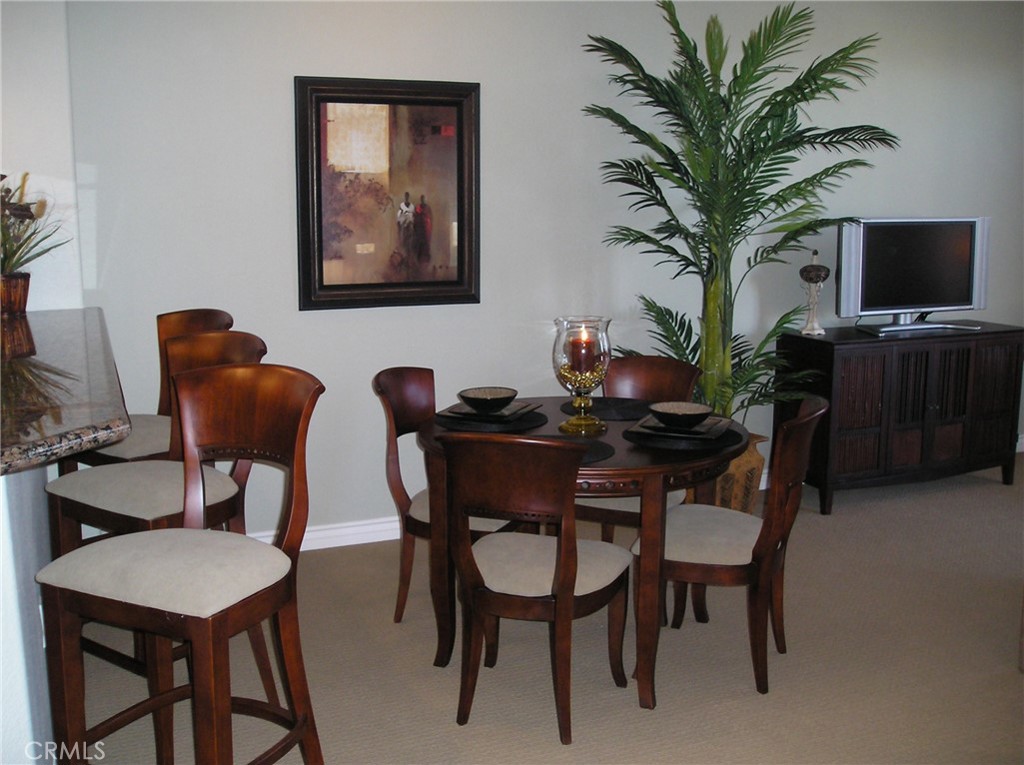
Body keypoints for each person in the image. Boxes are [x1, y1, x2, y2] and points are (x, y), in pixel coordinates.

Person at [413, 194, 432, 262]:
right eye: (422, 199)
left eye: (424, 198)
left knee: (426, 244)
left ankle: (426, 259)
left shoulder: (428, 208)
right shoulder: (418, 207)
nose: (423, 200)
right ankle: (419, 259)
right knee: (419, 245)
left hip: (426, 229)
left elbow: (430, 218)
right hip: (419, 230)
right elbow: (415, 218)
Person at [396, 191, 414, 256]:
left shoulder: (411, 206)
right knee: (403, 240)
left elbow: (412, 215)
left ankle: (409, 257)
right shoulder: (402, 205)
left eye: (407, 196)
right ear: (405, 197)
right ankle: (403, 255)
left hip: (409, 225)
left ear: (409, 197)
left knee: (409, 242)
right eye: (406, 196)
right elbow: (399, 215)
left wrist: (411, 223)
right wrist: (399, 222)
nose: (407, 197)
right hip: (403, 226)